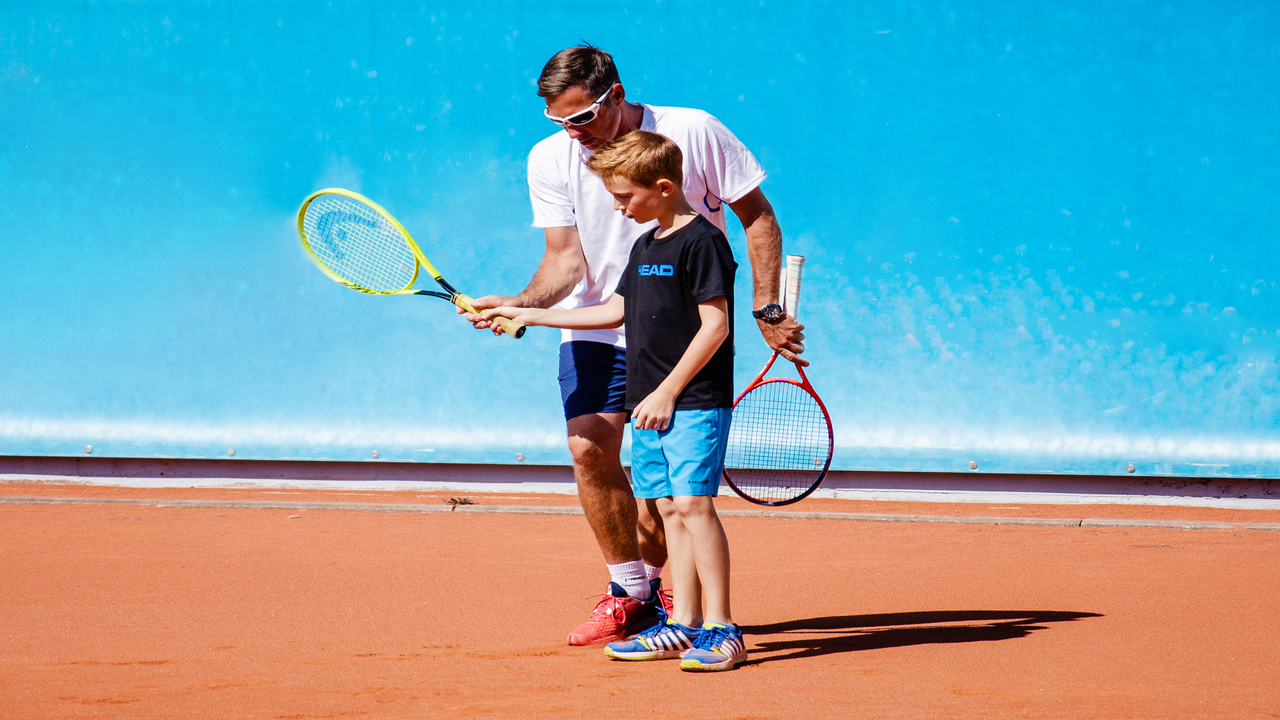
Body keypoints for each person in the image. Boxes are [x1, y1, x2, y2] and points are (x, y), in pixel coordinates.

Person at [463, 44, 803, 646]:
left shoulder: (692, 131)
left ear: (615, 96)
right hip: (599, 322)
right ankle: (633, 595)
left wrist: (766, 307)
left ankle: (698, 616)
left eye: (582, 118)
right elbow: (566, 263)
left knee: (670, 503)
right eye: (558, 122)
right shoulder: (551, 158)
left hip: (677, 336)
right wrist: (520, 305)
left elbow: (758, 218)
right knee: (589, 447)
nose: (572, 134)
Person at [484, 130, 747, 671]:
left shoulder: (702, 242)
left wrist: (669, 391)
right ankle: (684, 625)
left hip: (690, 398)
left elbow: (715, 326)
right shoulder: (645, 245)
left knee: (695, 506)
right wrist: (528, 314)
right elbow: (611, 312)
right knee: (669, 509)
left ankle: (724, 629)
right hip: (650, 399)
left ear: (665, 186)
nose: (616, 206)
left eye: (624, 197)